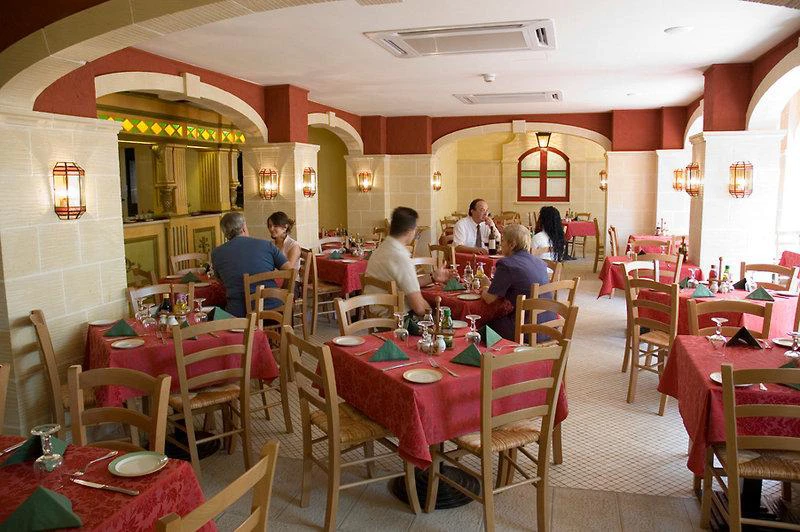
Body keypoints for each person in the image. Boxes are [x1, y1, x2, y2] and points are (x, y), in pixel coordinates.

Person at [364, 207, 451, 316]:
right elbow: (419, 308)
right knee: (449, 315)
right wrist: (437, 317)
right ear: (410, 231)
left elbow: (404, 284)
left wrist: (433, 277)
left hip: (376, 311)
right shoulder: (400, 257)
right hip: (397, 318)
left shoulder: (381, 249)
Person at [211, 211, 292, 317]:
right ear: (244, 228)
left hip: (239, 314)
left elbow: (221, 281)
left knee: (214, 313)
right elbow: (290, 271)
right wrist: (281, 293)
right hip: (272, 308)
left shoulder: (216, 253)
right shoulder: (266, 245)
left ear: (225, 233)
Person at [481, 223, 551, 340]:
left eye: (503, 241)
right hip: (548, 326)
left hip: (525, 329)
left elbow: (489, 299)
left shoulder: (507, 264)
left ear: (512, 244)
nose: (500, 244)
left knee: (481, 327)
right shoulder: (540, 262)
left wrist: (484, 286)